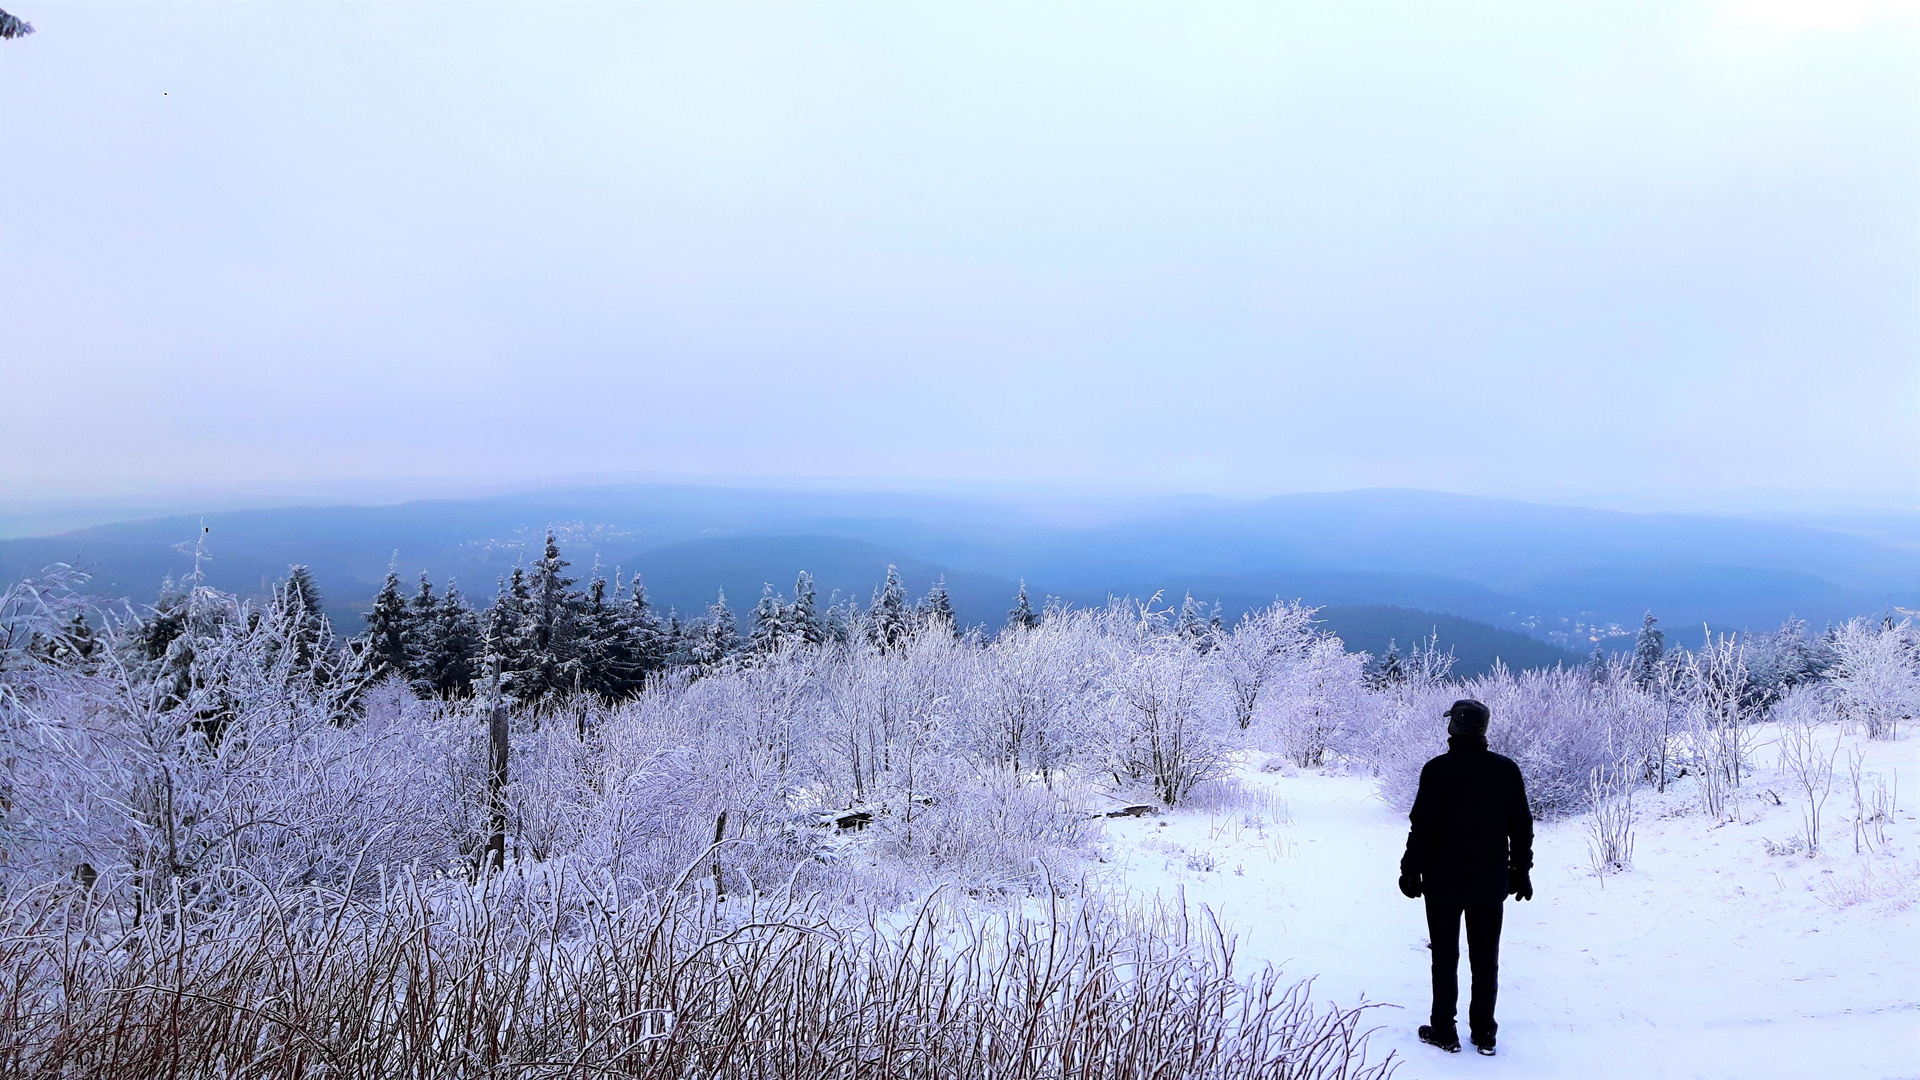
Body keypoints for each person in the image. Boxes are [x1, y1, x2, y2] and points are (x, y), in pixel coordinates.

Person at [1397, 698, 1534, 1057]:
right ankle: (1484, 1033)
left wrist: (1410, 869)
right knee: (1485, 958)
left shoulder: (1437, 770)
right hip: (1490, 882)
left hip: (1442, 882)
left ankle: (1444, 1030)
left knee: (1445, 956)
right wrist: (1521, 870)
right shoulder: (1506, 770)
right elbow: (1521, 826)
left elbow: (1423, 827)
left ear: (1454, 727)